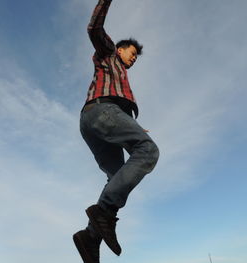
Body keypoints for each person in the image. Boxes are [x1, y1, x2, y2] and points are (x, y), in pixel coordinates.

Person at [73, 0, 159, 262]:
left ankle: (89, 237)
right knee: (148, 151)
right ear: (120, 49)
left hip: (94, 120)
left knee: (115, 176)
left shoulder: (121, 74)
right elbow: (94, 28)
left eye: (135, 56)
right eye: (131, 53)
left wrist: (131, 123)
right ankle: (105, 213)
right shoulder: (108, 53)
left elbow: (119, 105)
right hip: (102, 112)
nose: (133, 58)